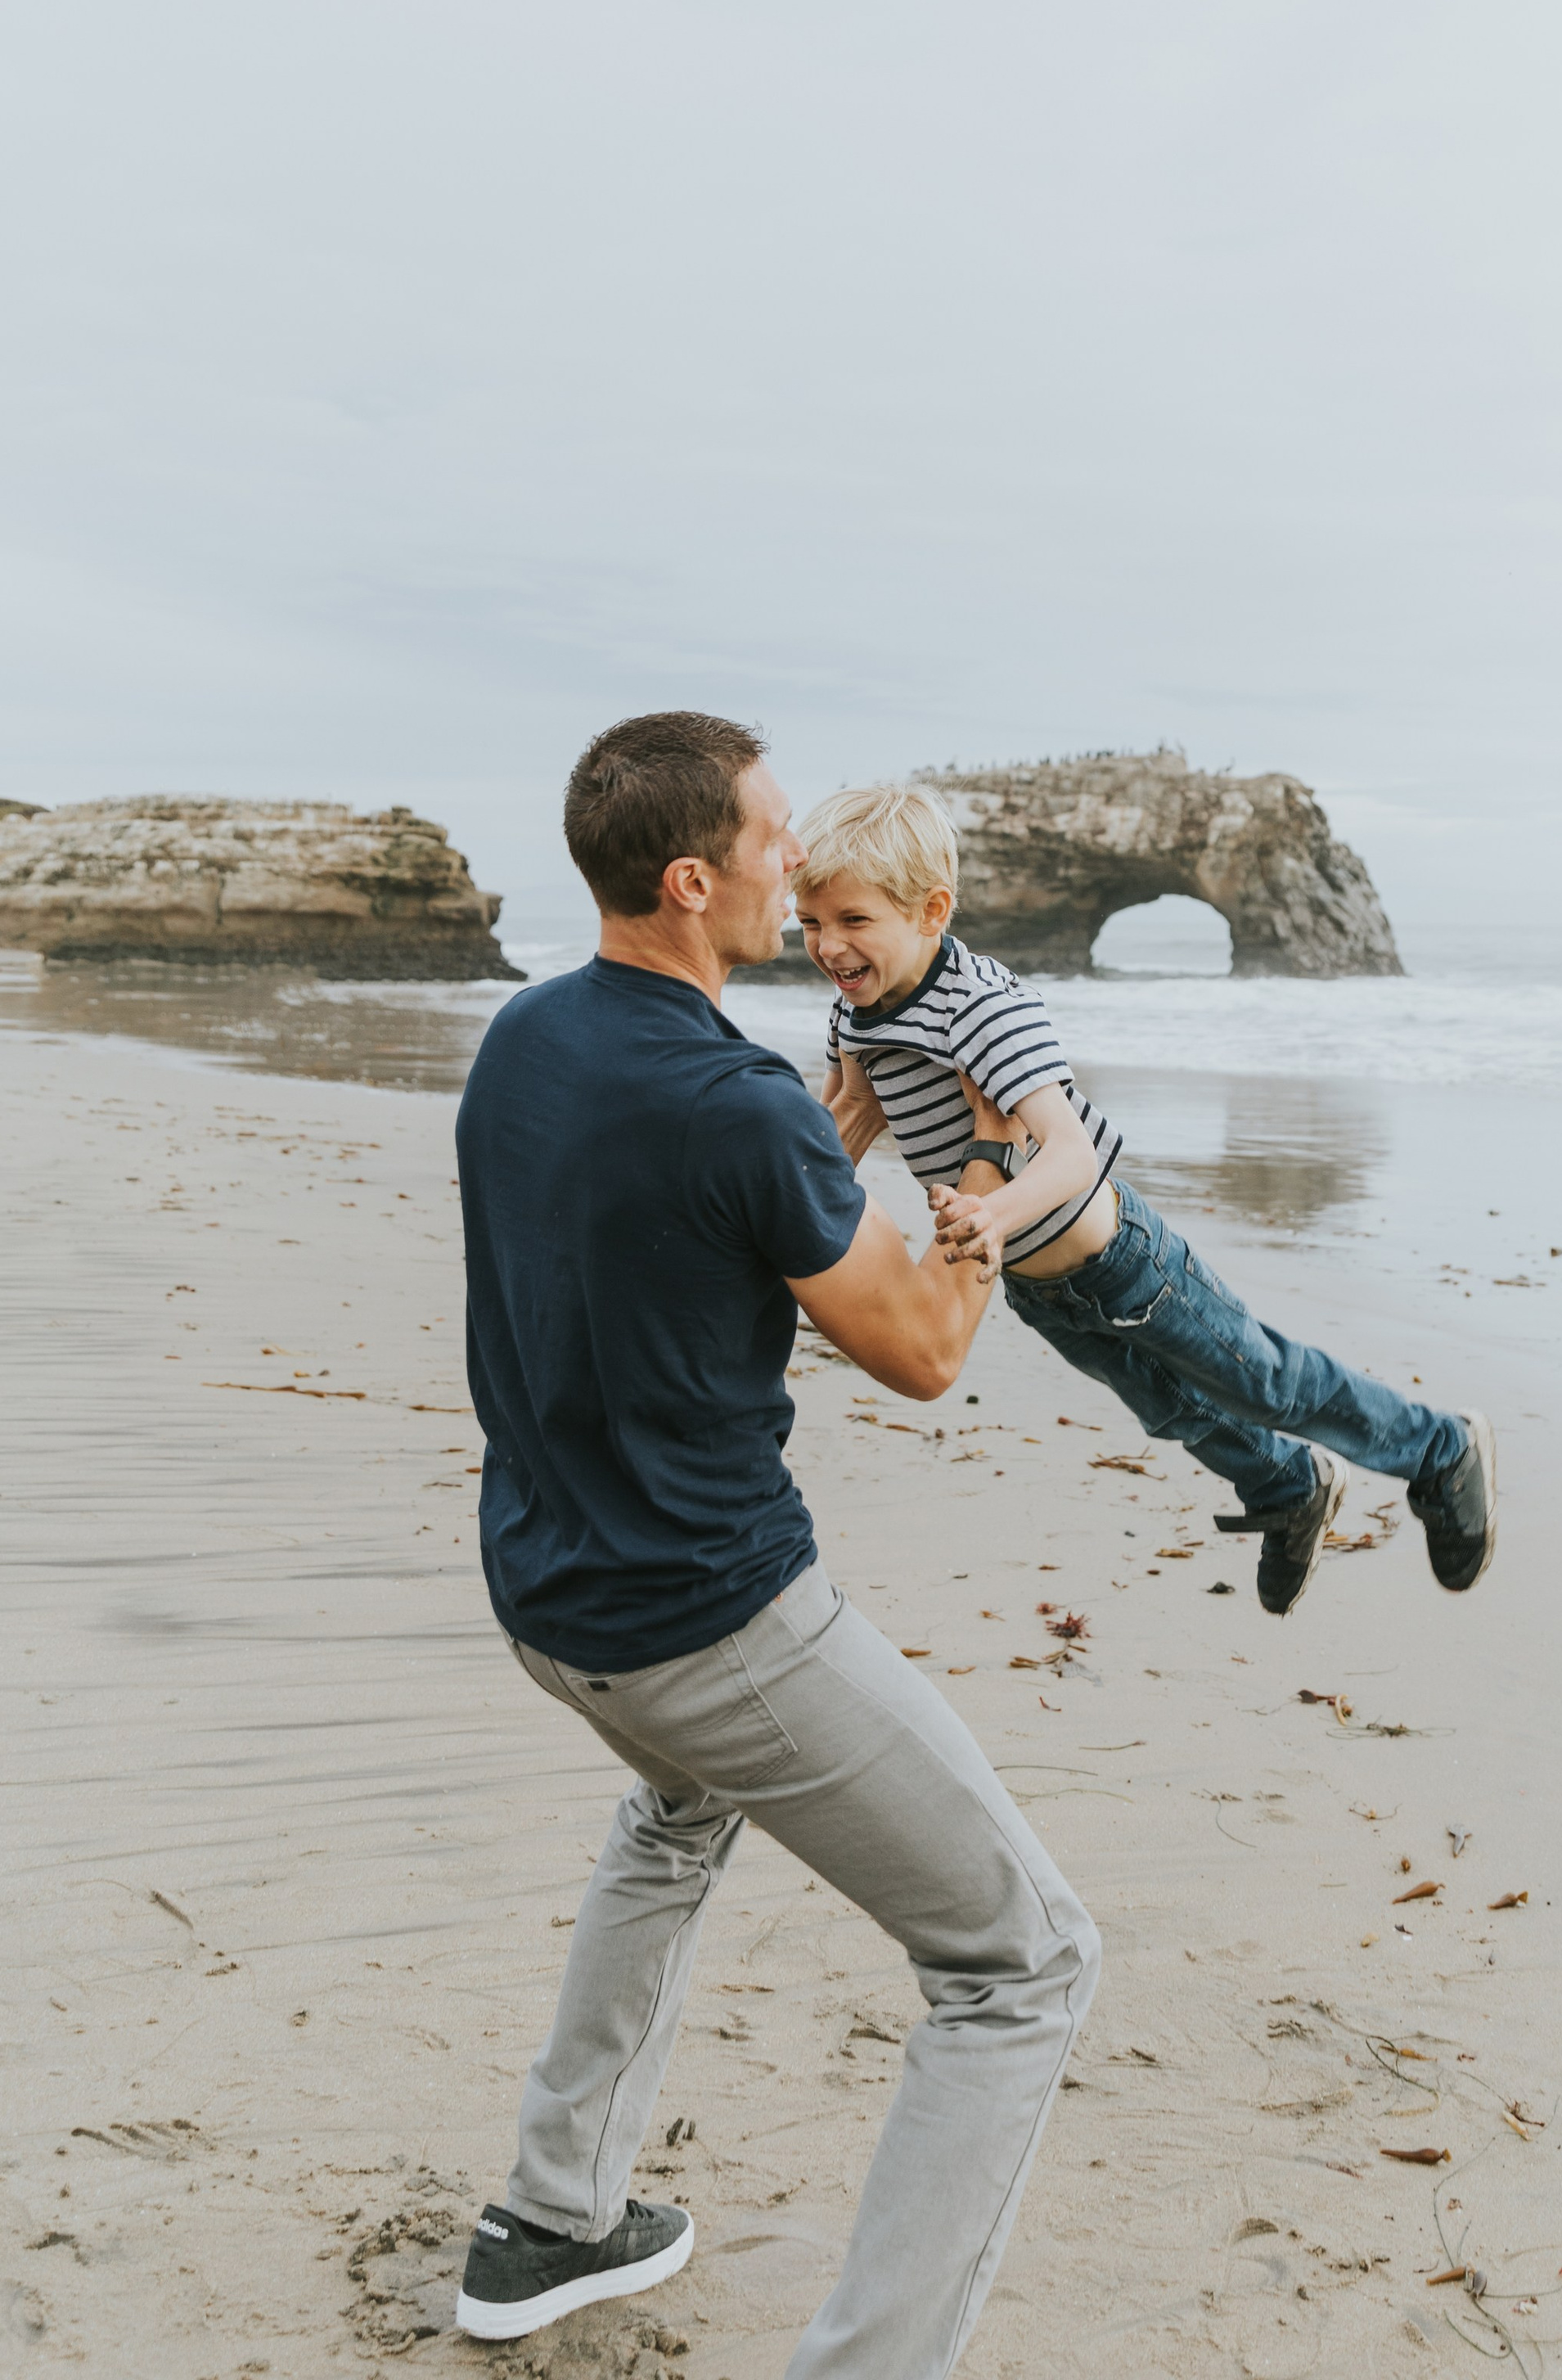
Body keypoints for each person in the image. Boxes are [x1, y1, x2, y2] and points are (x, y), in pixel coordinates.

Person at [452, 712, 1099, 2375]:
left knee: (674, 1807)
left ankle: (555, 2217)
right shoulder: (743, 1107)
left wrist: (849, 1145)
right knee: (1021, 1960)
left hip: (543, 1588)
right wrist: (992, 1168)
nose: (794, 867)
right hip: (708, 1621)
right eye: (770, 842)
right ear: (691, 882)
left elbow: (671, 1236)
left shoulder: (524, 1041)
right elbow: (924, 1352)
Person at [792, 782, 1497, 1615]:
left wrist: (990, 1215)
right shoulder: (855, 1018)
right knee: (1171, 1413)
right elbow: (845, 1123)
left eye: (851, 921)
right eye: (809, 924)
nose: (826, 946)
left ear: (931, 911)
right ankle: (1288, 1487)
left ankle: (1438, 1448)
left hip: (1122, 1260)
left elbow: (1068, 1155)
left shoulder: (980, 1008)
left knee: (1264, 1384)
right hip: (1034, 1284)